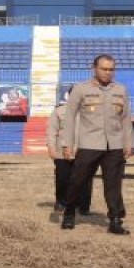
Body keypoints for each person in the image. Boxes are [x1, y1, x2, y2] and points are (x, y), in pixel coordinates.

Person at [60, 54, 134, 235]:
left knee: (114, 184)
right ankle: (69, 213)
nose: (108, 73)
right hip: (89, 144)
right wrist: (67, 144)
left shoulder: (121, 90)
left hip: (114, 145)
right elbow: (69, 118)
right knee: (78, 181)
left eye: (111, 69)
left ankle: (115, 220)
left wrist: (128, 142)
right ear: (94, 68)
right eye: (104, 69)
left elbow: (126, 118)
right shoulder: (80, 89)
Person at [45, 87, 92, 215]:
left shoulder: (91, 113)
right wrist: (51, 147)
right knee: (62, 178)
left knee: (85, 180)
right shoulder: (59, 111)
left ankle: (83, 206)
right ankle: (61, 202)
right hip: (62, 152)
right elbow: (51, 131)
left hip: (85, 151)